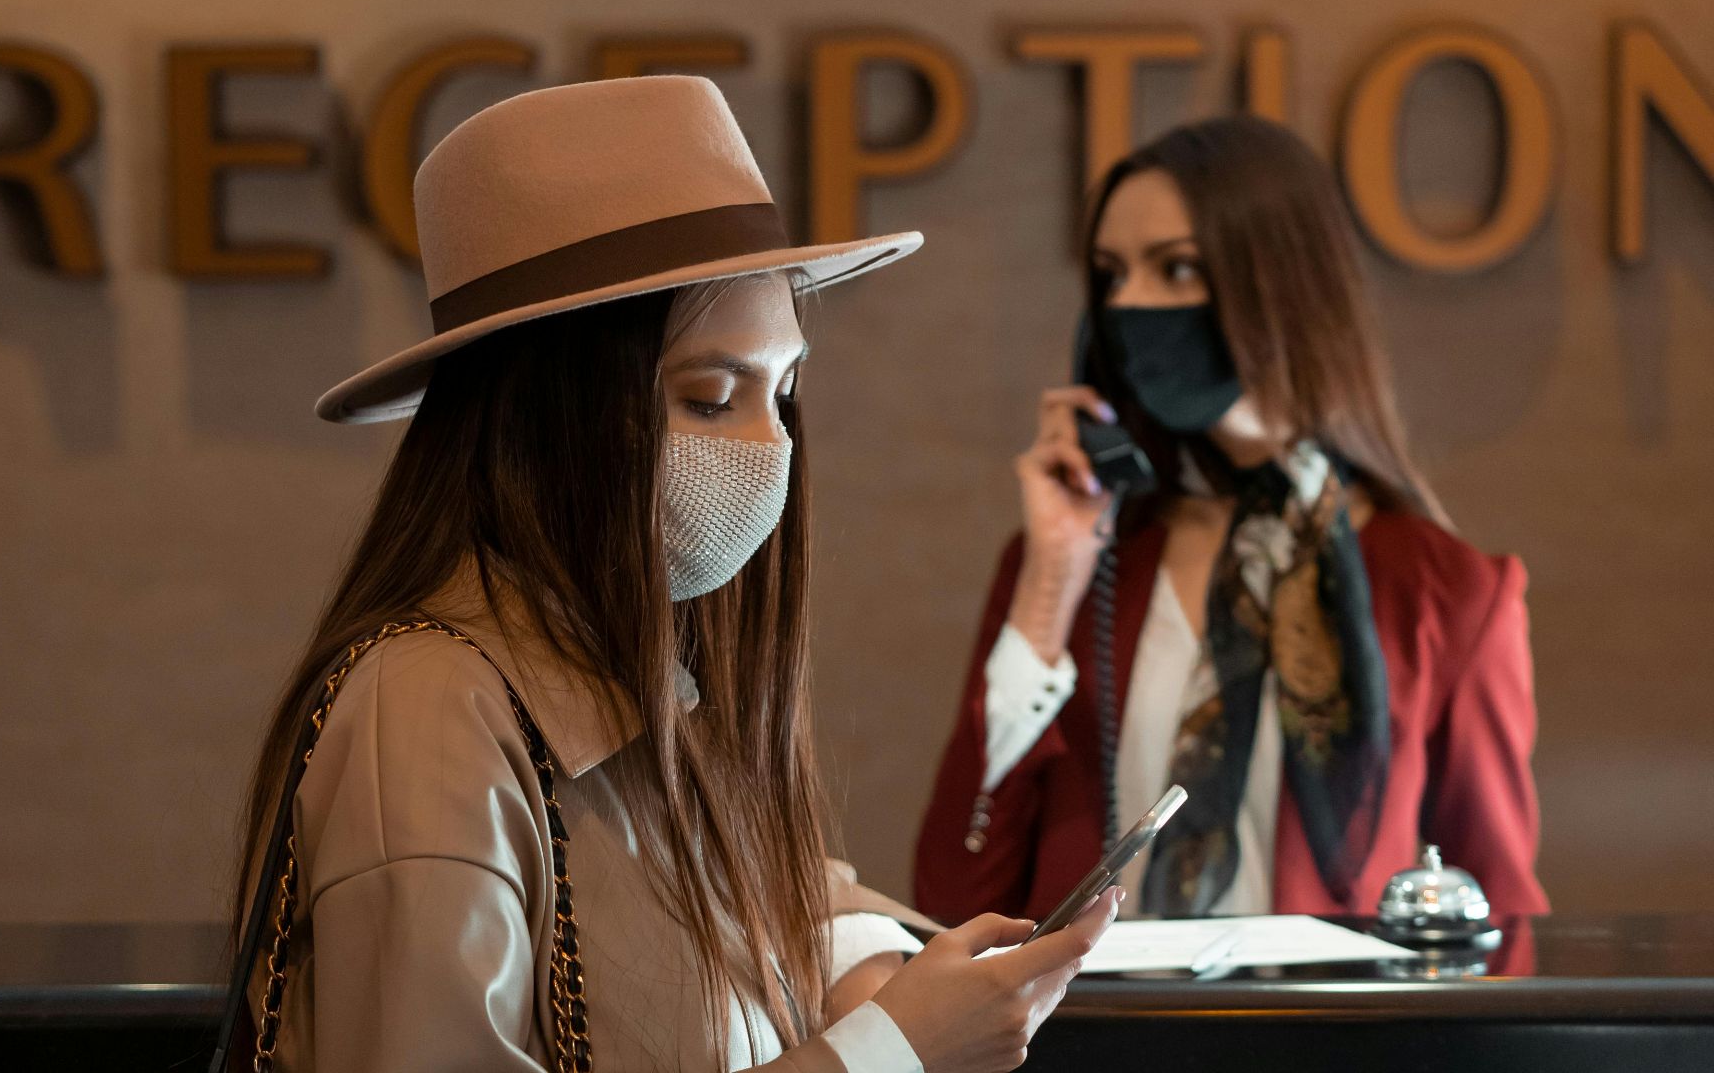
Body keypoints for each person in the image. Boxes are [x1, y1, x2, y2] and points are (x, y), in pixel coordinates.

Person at [222, 76, 1121, 1073]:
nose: (768, 445)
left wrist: (858, 965)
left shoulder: (642, 674)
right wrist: (889, 1052)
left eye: (783, 392)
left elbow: (767, 884)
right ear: (549, 412)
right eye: (709, 397)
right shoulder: (428, 708)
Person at [914, 115, 1549, 926]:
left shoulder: (1446, 592)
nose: (1128, 304)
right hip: (1091, 1009)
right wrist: (1049, 587)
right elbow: (955, 899)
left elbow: (1498, 920)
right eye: (1111, 275)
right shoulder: (1080, 563)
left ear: (1285, 288)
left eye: (1175, 268)